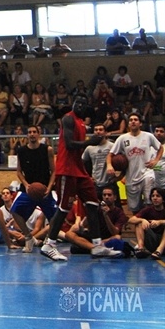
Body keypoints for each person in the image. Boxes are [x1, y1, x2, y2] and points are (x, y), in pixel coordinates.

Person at [38, 95, 122, 261]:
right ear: (73, 104)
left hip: (80, 170)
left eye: (84, 104)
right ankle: (49, 244)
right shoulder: (68, 118)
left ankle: (97, 246)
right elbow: (69, 144)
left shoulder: (82, 123)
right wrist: (90, 142)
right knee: (64, 208)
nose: (81, 106)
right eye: (78, 103)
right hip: (67, 169)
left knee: (93, 205)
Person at [9, 125, 58, 252]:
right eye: (29, 132)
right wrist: (26, 185)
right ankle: (28, 237)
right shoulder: (21, 151)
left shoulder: (47, 149)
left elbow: (54, 171)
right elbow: (19, 172)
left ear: (38, 134)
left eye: (34, 132)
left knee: (56, 216)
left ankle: (49, 241)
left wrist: (49, 187)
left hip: (44, 189)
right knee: (14, 211)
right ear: (27, 135)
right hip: (29, 188)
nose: (32, 134)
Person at [106, 113, 163, 213]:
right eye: (131, 120)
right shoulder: (122, 138)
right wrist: (109, 165)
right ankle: (139, 220)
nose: (133, 121)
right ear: (128, 124)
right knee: (134, 208)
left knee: (149, 202)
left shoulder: (148, 136)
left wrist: (155, 160)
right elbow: (110, 155)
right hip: (131, 177)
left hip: (147, 173)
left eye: (135, 120)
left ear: (140, 123)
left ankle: (150, 222)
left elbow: (160, 148)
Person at [81, 123, 121, 201]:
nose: (98, 131)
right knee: (96, 207)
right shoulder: (89, 148)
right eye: (96, 130)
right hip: (96, 184)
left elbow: (124, 162)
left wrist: (120, 176)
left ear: (105, 132)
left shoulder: (113, 146)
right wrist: (87, 177)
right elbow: (81, 163)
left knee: (115, 207)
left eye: (100, 129)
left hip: (110, 183)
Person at [127, 187, 165, 259]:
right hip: (153, 240)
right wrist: (142, 220)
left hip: (163, 242)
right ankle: (141, 248)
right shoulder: (148, 210)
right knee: (138, 223)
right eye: (153, 196)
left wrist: (160, 222)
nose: (155, 198)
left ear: (163, 199)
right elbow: (131, 220)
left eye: (158, 196)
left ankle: (159, 251)